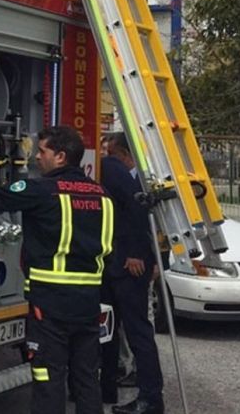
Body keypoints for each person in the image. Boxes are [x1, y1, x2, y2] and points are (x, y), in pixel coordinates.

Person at [0, 125, 114, 414]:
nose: (37, 158)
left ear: (61, 157)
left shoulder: (43, 190)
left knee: (48, 377)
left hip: (50, 305)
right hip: (88, 302)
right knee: (87, 377)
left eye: (43, 152)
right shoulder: (102, 195)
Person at [100, 133, 164, 414]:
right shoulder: (131, 175)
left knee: (136, 332)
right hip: (119, 263)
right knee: (110, 328)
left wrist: (137, 254)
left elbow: (138, 211)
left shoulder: (118, 172)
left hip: (127, 265)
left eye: (110, 151)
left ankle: (150, 398)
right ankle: (109, 387)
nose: (105, 155)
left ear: (123, 154)